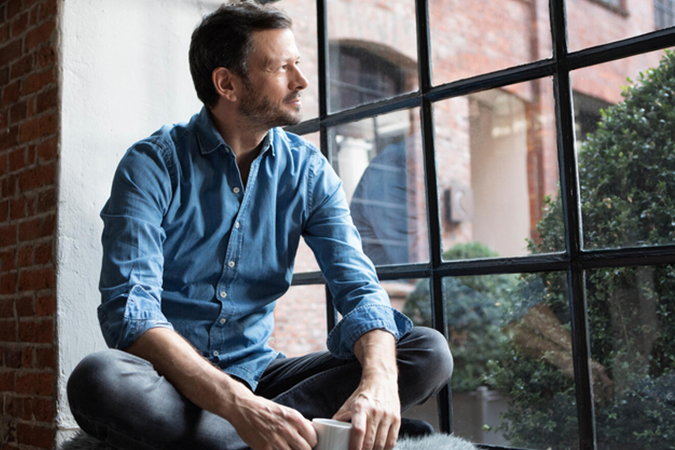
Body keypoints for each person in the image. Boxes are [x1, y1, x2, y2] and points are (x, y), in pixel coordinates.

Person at [66, 3, 452, 450]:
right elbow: (130, 312)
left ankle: (236, 439)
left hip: (263, 378)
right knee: (98, 379)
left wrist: (380, 381)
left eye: (298, 65)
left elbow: (361, 289)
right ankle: (286, 434)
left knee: (425, 351)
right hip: (169, 382)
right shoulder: (152, 165)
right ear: (227, 83)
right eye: (281, 68)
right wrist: (239, 408)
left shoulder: (309, 172)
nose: (301, 81)